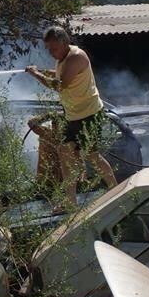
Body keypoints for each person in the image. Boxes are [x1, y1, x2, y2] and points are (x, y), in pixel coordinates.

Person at [26, 26, 117, 205]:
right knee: (64, 152)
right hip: (73, 115)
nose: (51, 53)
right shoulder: (63, 59)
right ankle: (71, 201)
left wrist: (36, 74)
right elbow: (60, 74)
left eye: (53, 48)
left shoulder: (76, 57)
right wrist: (39, 70)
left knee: (92, 156)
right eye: (48, 49)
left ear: (64, 42)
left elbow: (59, 85)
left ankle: (115, 189)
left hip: (89, 115)